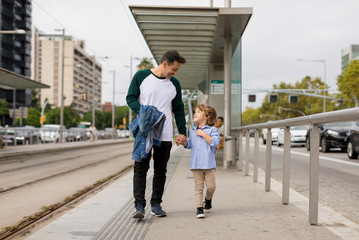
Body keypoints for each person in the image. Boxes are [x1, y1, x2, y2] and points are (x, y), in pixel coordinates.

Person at [126, 50, 187, 219]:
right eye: (173, 69)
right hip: (145, 131)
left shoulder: (174, 84)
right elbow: (130, 97)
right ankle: (139, 205)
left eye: (176, 71)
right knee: (140, 168)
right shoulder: (142, 76)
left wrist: (182, 132)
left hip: (165, 133)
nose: (174, 73)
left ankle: (156, 204)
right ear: (164, 63)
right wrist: (142, 111)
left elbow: (179, 109)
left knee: (161, 169)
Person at [184, 104, 220, 218]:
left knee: (211, 187)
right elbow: (191, 145)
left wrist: (203, 134)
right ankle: (199, 208)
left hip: (208, 165)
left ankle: (208, 200)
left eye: (198, 111)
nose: (195, 113)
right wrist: (184, 143)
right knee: (198, 188)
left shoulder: (213, 130)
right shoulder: (192, 131)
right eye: (195, 111)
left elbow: (215, 143)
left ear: (206, 116)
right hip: (196, 165)